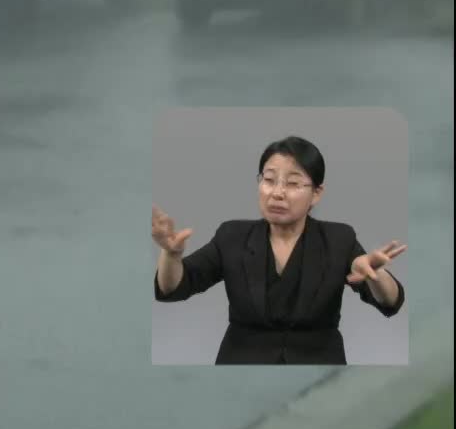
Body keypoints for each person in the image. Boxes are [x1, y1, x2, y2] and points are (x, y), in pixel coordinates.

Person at [153, 135, 405, 364]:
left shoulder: (339, 239)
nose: (277, 193)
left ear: (316, 193)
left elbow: (390, 302)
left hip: (316, 366)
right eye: (269, 180)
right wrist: (171, 255)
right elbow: (174, 287)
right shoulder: (232, 236)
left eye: (293, 183)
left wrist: (375, 274)